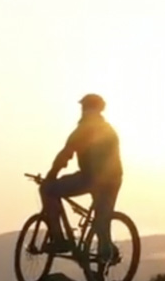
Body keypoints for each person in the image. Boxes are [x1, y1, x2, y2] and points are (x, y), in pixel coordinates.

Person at [40, 93, 123, 258]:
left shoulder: (84, 128)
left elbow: (66, 153)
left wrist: (52, 174)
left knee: (48, 190)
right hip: (113, 179)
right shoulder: (108, 129)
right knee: (102, 219)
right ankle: (104, 256)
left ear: (86, 108)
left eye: (83, 107)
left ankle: (59, 239)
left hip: (91, 178)